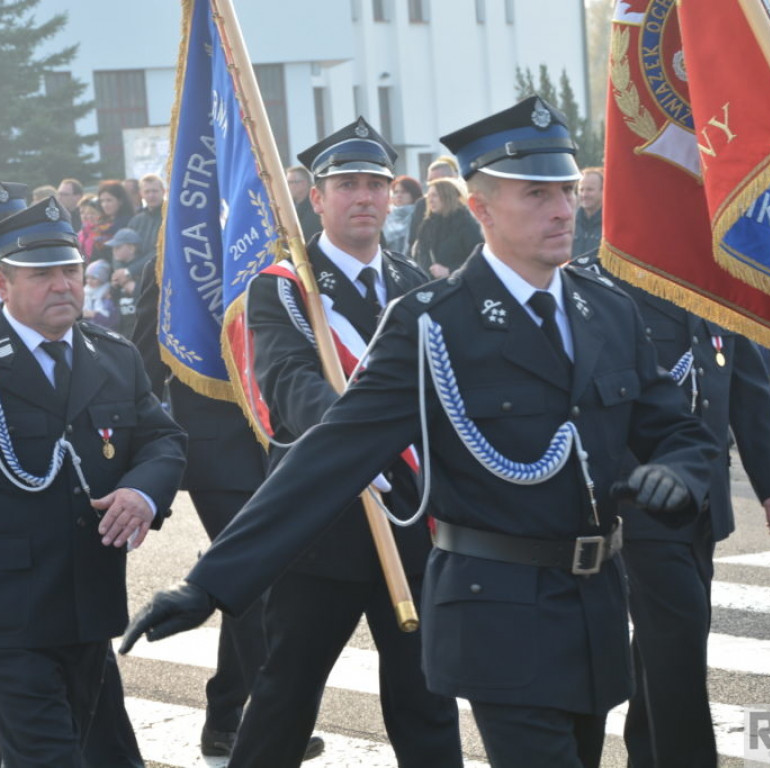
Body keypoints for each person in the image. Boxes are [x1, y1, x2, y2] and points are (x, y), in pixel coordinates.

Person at [120, 97, 719, 768]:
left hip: (594, 613)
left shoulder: (606, 310)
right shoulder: (434, 321)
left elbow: (678, 429)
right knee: (298, 691)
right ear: (481, 209)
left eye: (565, 190)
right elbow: (331, 451)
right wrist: (209, 584)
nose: (562, 209)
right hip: (496, 609)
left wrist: (684, 472)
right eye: (536, 194)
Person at [203, 117, 461, 768]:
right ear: (316, 199)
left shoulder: (417, 286)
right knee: (285, 699)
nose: (365, 198)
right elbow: (289, 384)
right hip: (321, 524)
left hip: (410, 518)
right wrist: (357, 448)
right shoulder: (286, 286)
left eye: (376, 185)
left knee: (427, 699)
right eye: (347, 185)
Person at [574, 252, 770, 768]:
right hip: (643, 498)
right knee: (677, 641)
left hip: (702, 497)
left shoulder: (708, 277)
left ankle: (649, 756)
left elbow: (744, 384)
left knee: (665, 646)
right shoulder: (603, 281)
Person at [0, 195, 186, 766]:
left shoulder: (112, 355)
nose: (62, 286)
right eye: (42, 275)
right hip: (12, 620)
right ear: (3, 284)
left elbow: (163, 439)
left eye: (70, 271)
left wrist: (142, 491)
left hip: (91, 609)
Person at [130, 259, 291, 759]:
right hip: (215, 447)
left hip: (278, 436)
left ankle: (224, 715)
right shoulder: (176, 252)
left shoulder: (278, 240)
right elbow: (145, 358)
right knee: (256, 576)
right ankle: (272, 720)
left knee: (250, 577)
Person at [411, 177, 482, 278]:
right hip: (432, 287)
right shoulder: (426, 226)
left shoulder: (466, 224)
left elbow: (479, 261)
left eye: (435, 195)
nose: (430, 200)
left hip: (459, 287)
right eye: (429, 196)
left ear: (447, 196)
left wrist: (450, 271)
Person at [406, 155, 458, 254]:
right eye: (430, 181)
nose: (432, 185)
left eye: (436, 181)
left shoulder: (463, 205)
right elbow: (413, 242)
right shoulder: (422, 205)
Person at [106, 228, 148, 337]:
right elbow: (115, 301)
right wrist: (114, 287)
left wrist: (133, 287)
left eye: (118, 247)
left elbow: (148, 298)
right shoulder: (118, 268)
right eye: (113, 248)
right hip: (123, 326)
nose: (114, 251)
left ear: (132, 248)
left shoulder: (145, 269)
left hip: (140, 326)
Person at [126, 173, 165, 262]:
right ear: (141, 194)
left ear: (163, 191)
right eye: (147, 192)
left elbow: (161, 251)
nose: (151, 195)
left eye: (155, 191)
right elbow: (123, 246)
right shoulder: (135, 221)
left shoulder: (171, 218)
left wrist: (130, 271)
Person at [93, 180, 133, 263]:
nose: (105, 205)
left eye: (109, 200)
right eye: (102, 201)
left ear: (120, 201)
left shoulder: (128, 222)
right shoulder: (100, 223)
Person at [382, 174, 423, 254]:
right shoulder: (386, 216)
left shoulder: (420, 215)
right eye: (396, 192)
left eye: (404, 192)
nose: (399, 196)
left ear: (414, 194)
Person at [571, 167, 602, 259]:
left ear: (603, 191)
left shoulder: (611, 226)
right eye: (581, 190)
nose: (584, 195)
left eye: (590, 190)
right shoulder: (568, 222)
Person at [82, 259, 118, 330]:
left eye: (94, 278)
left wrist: (94, 315)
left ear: (102, 278)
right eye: (87, 277)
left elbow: (112, 320)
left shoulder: (108, 294)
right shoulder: (85, 292)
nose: (89, 281)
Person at [286, 165, 320, 238]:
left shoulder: (316, 210)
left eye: (290, 182)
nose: (287, 186)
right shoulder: (289, 207)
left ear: (303, 183)